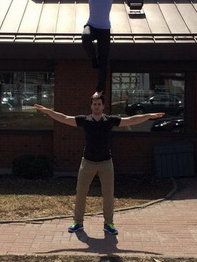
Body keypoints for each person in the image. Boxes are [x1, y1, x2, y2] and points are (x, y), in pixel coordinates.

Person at [34, 94, 164, 235]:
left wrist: (148, 115)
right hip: (87, 162)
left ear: (103, 106)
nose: (96, 106)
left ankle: (108, 224)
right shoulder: (85, 120)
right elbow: (64, 118)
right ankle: (78, 222)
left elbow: (131, 120)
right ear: (91, 106)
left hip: (106, 163)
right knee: (81, 193)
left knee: (108, 194)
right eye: (94, 104)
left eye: (99, 104)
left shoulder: (109, 120)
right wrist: (47, 111)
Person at [49, 0, 161, 98]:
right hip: (91, 25)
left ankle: (99, 90)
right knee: (85, 37)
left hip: (104, 30)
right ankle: (93, 60)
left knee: (104, 63)